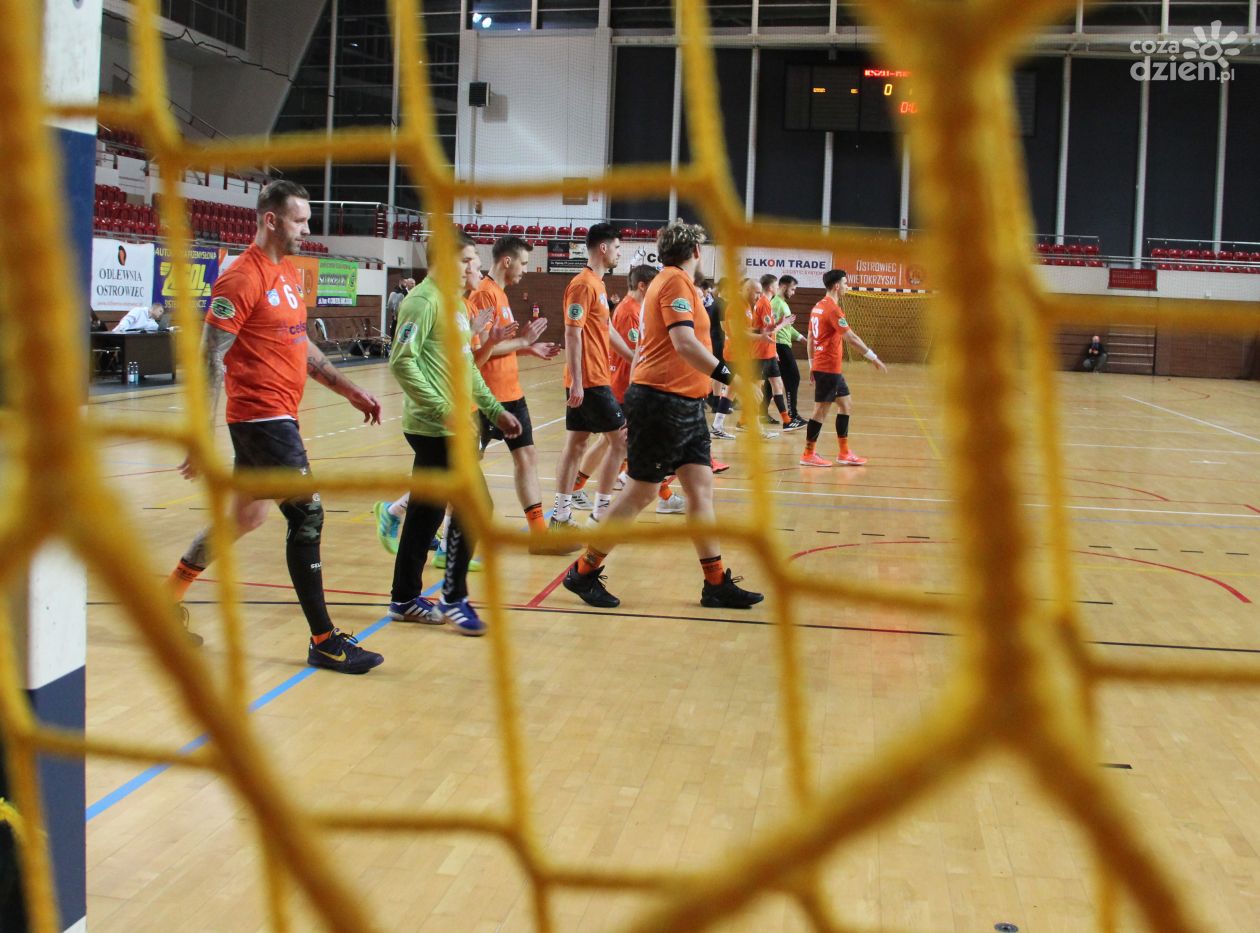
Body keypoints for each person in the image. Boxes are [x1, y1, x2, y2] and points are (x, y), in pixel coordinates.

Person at [166, 180, 386, 673]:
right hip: (261, 417)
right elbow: (208, 357)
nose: (307, 230)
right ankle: (324, 640)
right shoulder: (240, 278)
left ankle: (167, 598)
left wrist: (349, 390)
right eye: (299, 220)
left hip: (279, 415)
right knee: (307, 515)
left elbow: (299, 344)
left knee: (246, 518)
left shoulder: (285, 273)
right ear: (271, 219)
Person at [562, 220, 763, 611]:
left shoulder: (676, 283)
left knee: (700, 487)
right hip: (661, 402)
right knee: (641, 491)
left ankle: (715, 583)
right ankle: (583, 571)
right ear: (697, 251)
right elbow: (684, 343)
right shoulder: (673, 282)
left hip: (686, 403)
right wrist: (732, 377)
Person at [385, 231, 521, 636]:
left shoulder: (456, 304)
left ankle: (404, 598)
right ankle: (453, 596)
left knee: (425, 513)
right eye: (465, 260)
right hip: (435, 427)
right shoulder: (423, 301)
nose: (472, 267)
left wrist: (495, 410)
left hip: (449, 424)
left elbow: (466, 368)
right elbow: (401, 361)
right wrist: (442, 409)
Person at [466, 235, 564, 551]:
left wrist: (528, 348)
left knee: (527, 457)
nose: (525, 269)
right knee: (463, 468)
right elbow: (480, 349)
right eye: (523, 263)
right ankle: (403, 511)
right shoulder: (484, 294)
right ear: (507, 261)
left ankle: (538, 535)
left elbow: (501, 345)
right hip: (486, 398)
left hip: (512, 394)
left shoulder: (501, 294)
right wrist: (523, 342)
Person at [544, 223, 633, 543]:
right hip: (590, 380)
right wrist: (578, 382)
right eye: (618, 247)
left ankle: (561, 517)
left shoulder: (598, 284)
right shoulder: (582, 284)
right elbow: (572, 333)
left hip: (593, 378)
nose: (620, 253)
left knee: (577, 444)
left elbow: (606, 330)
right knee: (620, 441)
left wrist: (633, 356)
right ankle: (601, 515)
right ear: (603, 248)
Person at [799, 269, 887, 468]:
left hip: (827, 367)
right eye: (845, 283)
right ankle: (808, 453)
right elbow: (850, 337)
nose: (848, 286)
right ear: (837, 286)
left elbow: (811, 338)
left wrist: (812, 365)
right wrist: (872, 357)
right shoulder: (832, 309)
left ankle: (844, 453)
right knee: (820, 410)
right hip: (827, 367)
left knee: (846, 404)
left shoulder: (818, 307)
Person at [729, 278, 780, 438]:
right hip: (734, 356)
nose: (759, 296)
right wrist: (761, 337)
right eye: (757, 293)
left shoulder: (747, 307)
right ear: (747, 290)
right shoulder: (736, 306)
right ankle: (754, 429)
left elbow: (748, 329)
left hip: (746, 355)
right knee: (754, 395)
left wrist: (763, 331)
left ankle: (728, 424)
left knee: (736, 393)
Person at [769, 275, 807, 429]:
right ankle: (792, 414)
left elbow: (787, 327)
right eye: (792, 289)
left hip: (783, 344)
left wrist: (801, 338)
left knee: (771, 381)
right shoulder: (776, 304)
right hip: (780, 345)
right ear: (784, 287)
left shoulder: (783, 304)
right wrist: (773, 348)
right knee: (793, 377)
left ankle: (762, 413)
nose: (793, 292)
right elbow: (772, 328)